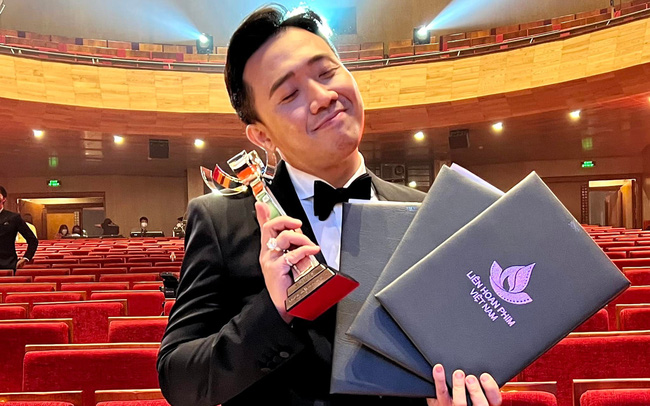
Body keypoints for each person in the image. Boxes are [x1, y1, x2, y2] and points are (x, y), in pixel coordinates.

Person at [157, 6, 501, 406]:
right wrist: (275, 310)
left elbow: (448, 350)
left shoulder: (427, 211)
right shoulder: (220, 220)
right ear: (262, 136)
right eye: (289, 94)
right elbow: (179, 380)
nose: (323, 97)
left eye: (326, 72)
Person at [0, 186, 38, 271]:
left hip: (8, 265)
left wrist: (26, 258)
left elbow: (33, 240)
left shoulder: (13, 217)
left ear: (4, 199)